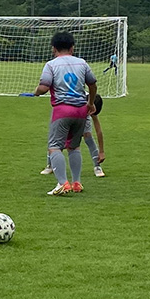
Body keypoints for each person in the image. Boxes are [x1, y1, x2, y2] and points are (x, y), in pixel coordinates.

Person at [34, 31, 98, 196]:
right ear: (72, 47)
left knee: (55, 147)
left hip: (62, 110)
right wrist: (90, 103)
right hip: (81, 111)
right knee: (74, 146)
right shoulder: (82, 63)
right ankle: (76, 182)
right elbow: (92, 84)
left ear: (53, 48)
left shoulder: (51, 65)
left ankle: (63, 183)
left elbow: (44, 87)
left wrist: (36, 92)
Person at [40, 93, 106, 178]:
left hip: (80, 113)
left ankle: (97, 166)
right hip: (65, 114)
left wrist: (101, 151)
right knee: (57, 138)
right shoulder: (72, 100)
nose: (90, 114)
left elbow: (98, 130)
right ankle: (50, 165)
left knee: (87, 135)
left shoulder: (90, 103)